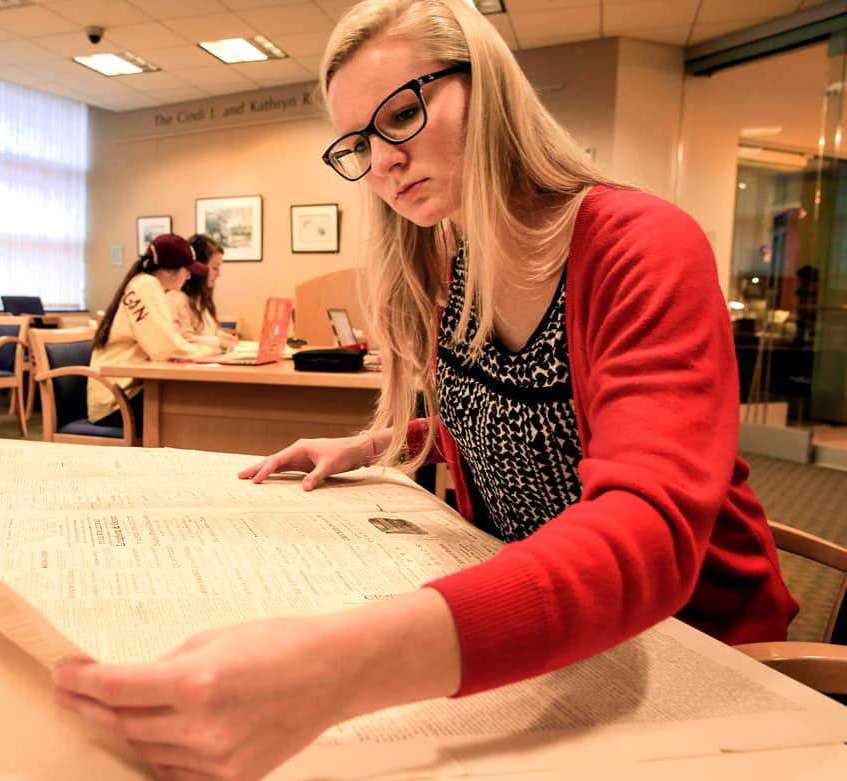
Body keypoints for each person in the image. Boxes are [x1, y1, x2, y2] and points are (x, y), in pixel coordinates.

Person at [52, 2, 798, 779]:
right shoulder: (453, 258)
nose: (381, 163)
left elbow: (646, 530)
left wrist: (335, 665)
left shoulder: (642, 244)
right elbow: (514, 417)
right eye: (357, 145)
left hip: (700, 648)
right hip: (556, 639)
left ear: (492, 89)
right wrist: (383, 441)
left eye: (403, 113)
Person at [88, 233, 220, 434]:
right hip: (117, 403)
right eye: (187, 270)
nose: (189, 276)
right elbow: (165, 349)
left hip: (123, 393)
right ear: (169, 270)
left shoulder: (146, 284)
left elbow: (167, 342)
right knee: (200, 405)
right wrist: (210, 349)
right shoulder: (146, 285)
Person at [167, 234, 239, 352]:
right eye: (215, 268)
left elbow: (204, 331)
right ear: (198, 268)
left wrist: (221, 335)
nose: (219, 274)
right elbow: (184, 341)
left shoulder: (199, 299)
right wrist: (218, 341)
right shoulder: (177, 299)